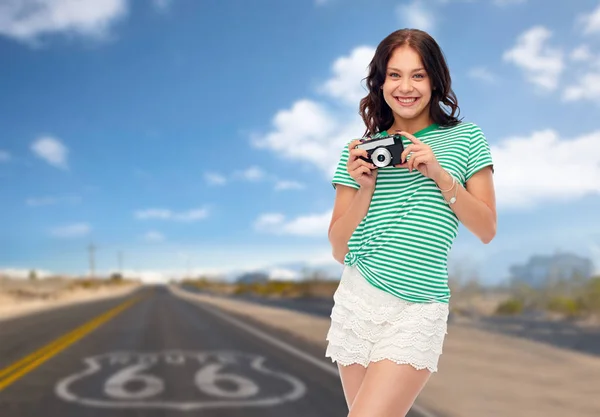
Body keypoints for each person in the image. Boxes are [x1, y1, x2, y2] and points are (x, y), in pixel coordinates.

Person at [325, 28, 496, 417]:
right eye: (395, 75)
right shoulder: (358, 152)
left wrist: (438, 173)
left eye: (418, 75)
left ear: (435, 80)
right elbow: (338, 248)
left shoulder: (467, 139)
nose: (406, 87)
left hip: (418, 305)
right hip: (358, 297)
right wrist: (365, 187)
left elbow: (486, 229)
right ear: (380, 82)